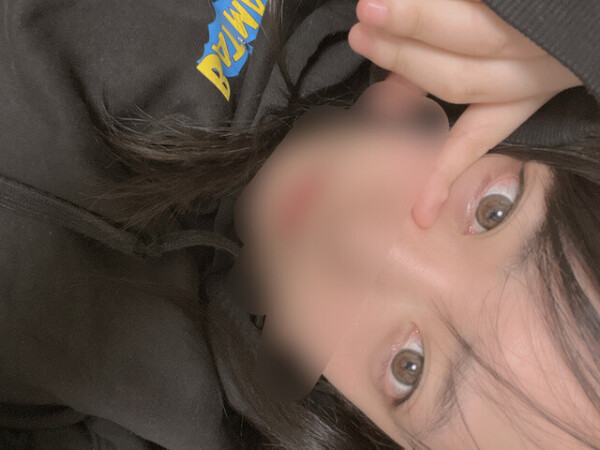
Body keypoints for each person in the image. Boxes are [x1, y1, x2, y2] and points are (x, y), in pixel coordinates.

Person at [0, 1, 598, 450]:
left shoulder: (148, 409)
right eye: (493, 211)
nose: (356, 237)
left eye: (408, 367)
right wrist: (563, 24)